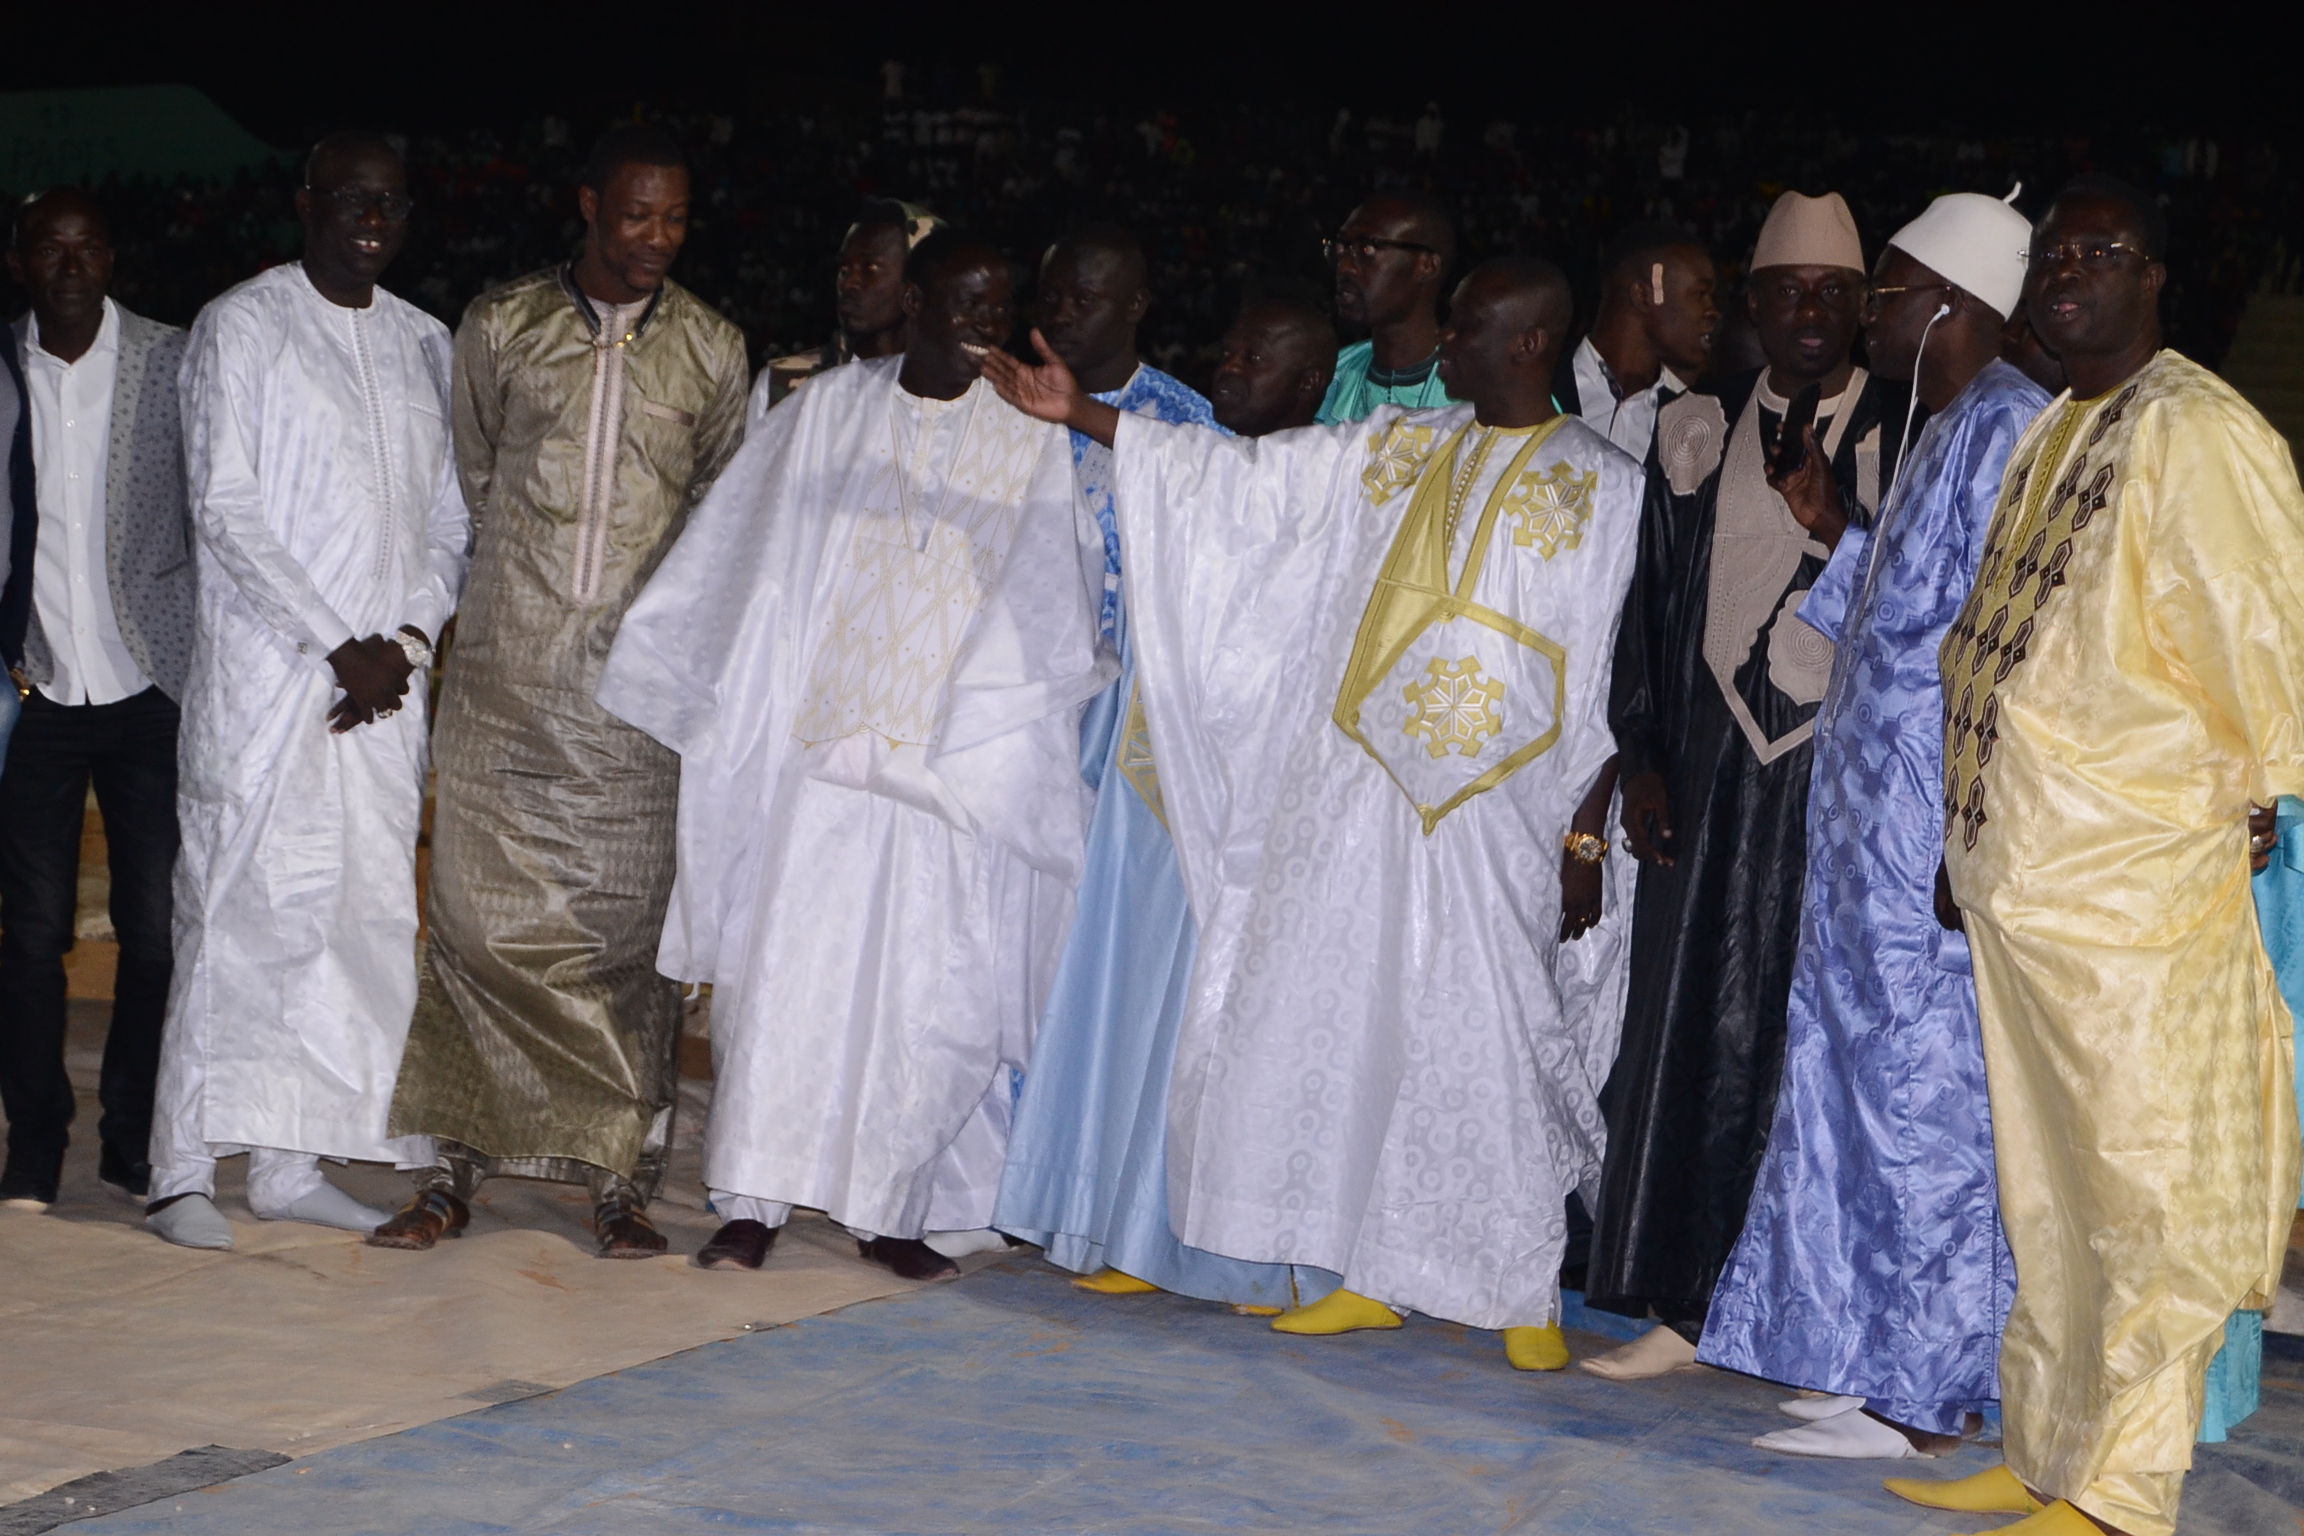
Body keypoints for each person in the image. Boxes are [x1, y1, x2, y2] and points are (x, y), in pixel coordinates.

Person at [982, 256, 1642, 1371]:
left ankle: (1518, 1288)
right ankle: (1368, 1271)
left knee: (1492, 1037)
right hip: (1367, 791)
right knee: (1360, 1027)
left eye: (1475, 329)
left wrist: (1587, 832)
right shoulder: (1403, 446)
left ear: (1530, 344)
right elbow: (1245, 486)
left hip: (1503, 804)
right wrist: (1086, 414)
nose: (1451, 348)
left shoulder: (1606, 484)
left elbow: (1619, 674)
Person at [1893, 175, 2304, 1536]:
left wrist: (2266, 800)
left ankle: (2125, 1487)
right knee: (2050, 1199)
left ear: (2159, 277)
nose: (2068, 273)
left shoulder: (2199, 428)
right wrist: (1973, 830)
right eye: (2054, 255)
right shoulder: (2060, 421)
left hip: (2142, 894)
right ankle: (2046, 1447)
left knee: (2143, 1203)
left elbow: (2258, 639)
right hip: (2030, 884)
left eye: (2101, 254)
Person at [597, 231, 1111, 1283]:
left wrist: (967, 736)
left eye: (998, 304)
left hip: (940, 771)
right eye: (964, 300)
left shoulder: (1025, 439)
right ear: (915, 300)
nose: (981, 322)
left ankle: (888, 1207)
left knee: (925, 996)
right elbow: (749, 565)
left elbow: (1047, 610)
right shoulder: (827, 411)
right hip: (815, 762)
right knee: (786, 984)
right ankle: (751, 1201)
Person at [1695, 191, 2048, 1458]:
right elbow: (1903, 619)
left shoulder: (2010, 429)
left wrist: (1971, 826)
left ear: (1949, 305)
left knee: (1922, 1103)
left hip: (1922, 840)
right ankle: (1860, 1348)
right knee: (1847, 1088)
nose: (1871, 314)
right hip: (1865, 830)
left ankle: (1922, 1391)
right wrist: (1835, 531)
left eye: (1887, 292)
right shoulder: (1944, 424)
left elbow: (2007, 651)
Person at [379, 125, 749, 1259]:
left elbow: (722, 523)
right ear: (588, 206)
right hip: (503, 683)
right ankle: (453, 1167)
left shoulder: (715, 350)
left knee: (619, 944)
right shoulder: (502, 325)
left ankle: (620, 1179)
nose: (658, 239)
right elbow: (476, 475)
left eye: (676, 219)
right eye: (637, 215)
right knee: (478, 934)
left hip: (635, 712)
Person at [1585, 190, 1907, 1379]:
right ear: (1757, 304)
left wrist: (1840, 524)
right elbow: (1650, 613)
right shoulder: (1697, 431)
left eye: (1833, 293)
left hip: (1841, 785)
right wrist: (1646, 759)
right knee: (1690, 1036)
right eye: (1787, 292)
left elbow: (1933, 617)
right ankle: (1684, 1304)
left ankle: (1806, 1322)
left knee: (1810, 1049)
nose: (1810, 312)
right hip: (1715, 781)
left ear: (1864, 308)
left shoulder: (1912, 431)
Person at [144, 132, 470, 1249]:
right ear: (306, 204)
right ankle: (180, 1168)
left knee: (350, 920)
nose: (371, 217)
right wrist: (341, 644)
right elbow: (226, 510)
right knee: (234, 912)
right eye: (350, 198)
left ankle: (288, 1165)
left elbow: (449, 520)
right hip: (273, 681)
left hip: (383, 696)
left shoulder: (428, 342)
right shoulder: (242, 326)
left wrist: (409, 644)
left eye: (391, 200)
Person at [992, 299, 1333, 1309]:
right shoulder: (1207, 463)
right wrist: (1080, 412)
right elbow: (1192, 479)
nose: (1230, 365)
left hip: (1261, 804)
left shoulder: (1334, 472)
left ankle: (1247, 1253)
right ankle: (1137, 1228)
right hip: (1162, 777)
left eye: (1257, 352)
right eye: (1226, 346)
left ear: (1311, 384)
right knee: (1143, 1006)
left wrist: (1084, 416)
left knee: (1237, 1020)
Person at [0, 191, 192, 1209]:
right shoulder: (1, 367)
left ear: (111, 258)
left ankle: (130, 1135)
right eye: (49, 249)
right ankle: (34, 1142)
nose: (69, 265)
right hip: (32, 692)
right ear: (20, 262)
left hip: (146, 692)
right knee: (30, 940)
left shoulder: (172, 359)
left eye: (87, 248)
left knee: (156, 933)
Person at [749, 199, 940, 418]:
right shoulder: (786, 383)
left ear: (919, 283)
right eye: (844, 269)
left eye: (870, 268)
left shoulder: (956, 390)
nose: (849, 283)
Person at [1554, 222, 1720, 458]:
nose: (1712, 311)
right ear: (1643, 295)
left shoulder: (1692, 422)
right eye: (1700, 294)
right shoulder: (1540, 392)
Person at [1317, 193, 1458, 423]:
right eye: (1343, 248)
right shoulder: (1330, 378)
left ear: (1427, 265)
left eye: (1367, 249)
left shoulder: (1474, 392)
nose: (1345, 267)